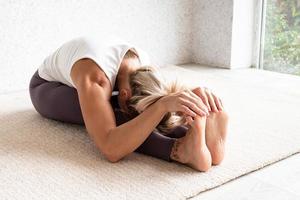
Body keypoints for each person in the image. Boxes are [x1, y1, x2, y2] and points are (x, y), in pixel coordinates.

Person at [29, 35, 228, 171]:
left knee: (151, 112)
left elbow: (159, 96)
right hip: (47, 88)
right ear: (123, 95)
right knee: (118, 119)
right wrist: (160, 106)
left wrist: (189, 101)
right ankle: (179, 150)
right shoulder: (96, 78)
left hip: (100, 81)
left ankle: (197, 137)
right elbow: (110, 149)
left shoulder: (144, 66)